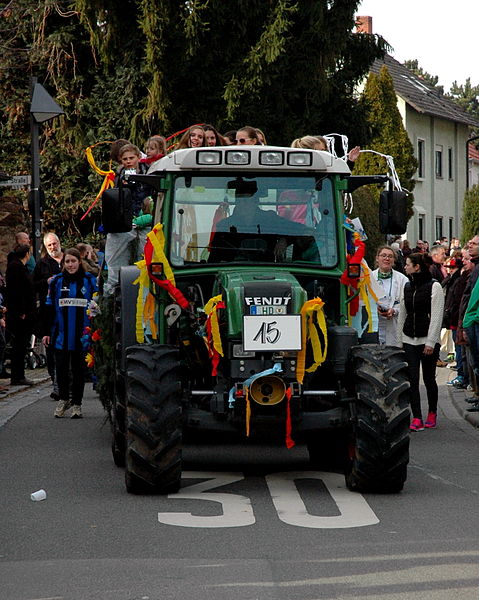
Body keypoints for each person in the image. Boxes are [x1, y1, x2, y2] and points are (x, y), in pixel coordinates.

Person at [42, 248, 98, 418]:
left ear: (79, 262)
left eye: (73, 261)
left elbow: (97, 304)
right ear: (63, 264)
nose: (70, 265)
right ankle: (63, 399)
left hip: (82, 335)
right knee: (61, 369)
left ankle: (77, 404)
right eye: (67, 262)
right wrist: (46, 332)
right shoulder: (57, 281)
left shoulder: (89, 280)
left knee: (79, 370)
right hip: (61, 335)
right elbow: (49, 308)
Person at [208, 180, 319, 263]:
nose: (243, 205)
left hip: (267, 270)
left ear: (255, 202)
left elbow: (300, 230)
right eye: (240, 201)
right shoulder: (224, 226)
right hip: (232, 271)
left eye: (247, 201)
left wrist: (285, 239)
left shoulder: (270, 219)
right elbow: (214, 258)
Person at [397, 253, 445, 431]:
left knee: (429, 378)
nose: (405, 267)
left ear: (417, 267)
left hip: (427, 339)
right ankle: (416, 416)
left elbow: (437, 316)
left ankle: (432, 412)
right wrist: (399, 339)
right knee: (412, 379)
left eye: (408, 264)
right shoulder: (407, 286)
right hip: (409, 338)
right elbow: (403, 313)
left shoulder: (435, 286)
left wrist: (431, 342)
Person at [104, 143, 153, 294]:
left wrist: (147, 215)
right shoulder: (119, 177)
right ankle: (114, 292)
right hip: (126, 222)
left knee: (144, 258)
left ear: (139, 157)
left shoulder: (150, 173)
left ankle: (146, 291)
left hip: (146, 220)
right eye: (125, 159)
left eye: (131, 158)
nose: (128, 161)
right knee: (116, 256)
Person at [33, 232, 64, 398]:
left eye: (55, 243)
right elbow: (34, 285)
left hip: (69, 309)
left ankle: (69, 380)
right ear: (45, 247)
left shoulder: (69, 259)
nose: (53, 247)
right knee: (51, 344)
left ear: (59, 243)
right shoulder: (42, 264)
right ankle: (55, 380)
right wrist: (47, 281)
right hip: (49, 310)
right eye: (49, 245)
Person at [5, 244, 37, 386]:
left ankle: (19, 375)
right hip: (20, 315)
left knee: (21, 345)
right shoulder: (16, 268)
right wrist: (22, 311)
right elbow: (17, 291)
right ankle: (17, 376)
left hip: (22, 313)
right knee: (19, 345)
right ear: (27, 254)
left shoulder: (17, 267)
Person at [372, 245, 409, 346]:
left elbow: (406, 304)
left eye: (390, 256)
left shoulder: (402, 280)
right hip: (375, 325)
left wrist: (394, 310)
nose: (386, 258)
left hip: (394, 324)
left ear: (394, 260)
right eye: (383, 255)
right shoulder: (369, 278)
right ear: (377, 258)